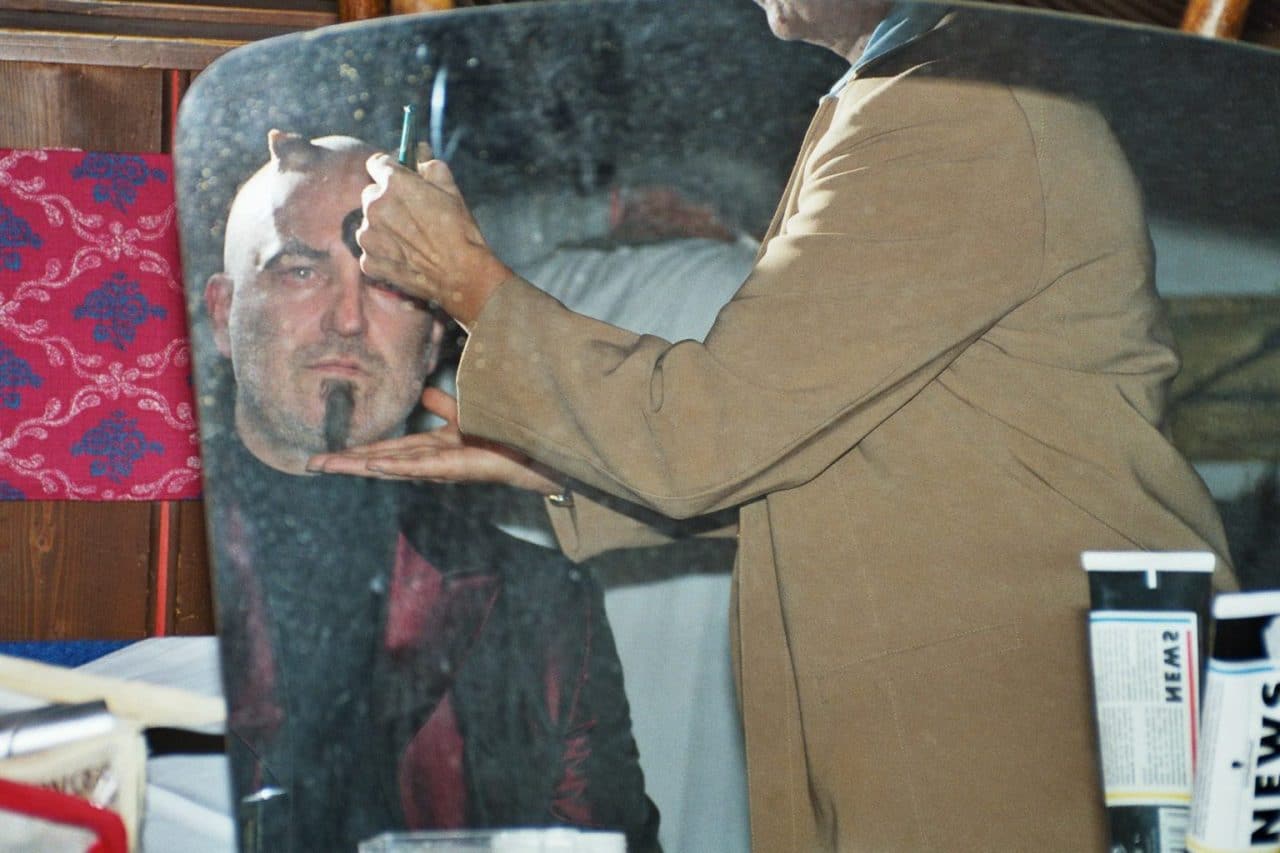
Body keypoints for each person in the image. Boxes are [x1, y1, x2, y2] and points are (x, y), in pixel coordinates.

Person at [310, 3, 1236, 849]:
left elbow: (707, 437)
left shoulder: (963, 107)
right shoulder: (924, 91)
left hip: (1022, 744)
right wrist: (555, 463)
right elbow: (841, 451)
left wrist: (468, 281)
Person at [202, 131, 659, 852]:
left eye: (390, 285)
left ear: (436, 339)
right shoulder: (141, 573)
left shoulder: (538, 605)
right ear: (222, 314)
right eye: (300, 271)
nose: (347, 319)